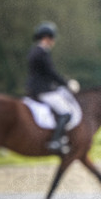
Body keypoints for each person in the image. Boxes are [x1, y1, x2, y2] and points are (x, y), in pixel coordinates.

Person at [26, 22, 80, 155]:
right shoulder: (41, 53)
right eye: (52, 38)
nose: (54, 41)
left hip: (38, 88)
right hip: (43, 90)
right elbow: (51, 73)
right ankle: (55, 141)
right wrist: (66, 83)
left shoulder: (35, 51)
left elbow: (47, 74)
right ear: (47, 38)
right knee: (66, 111)